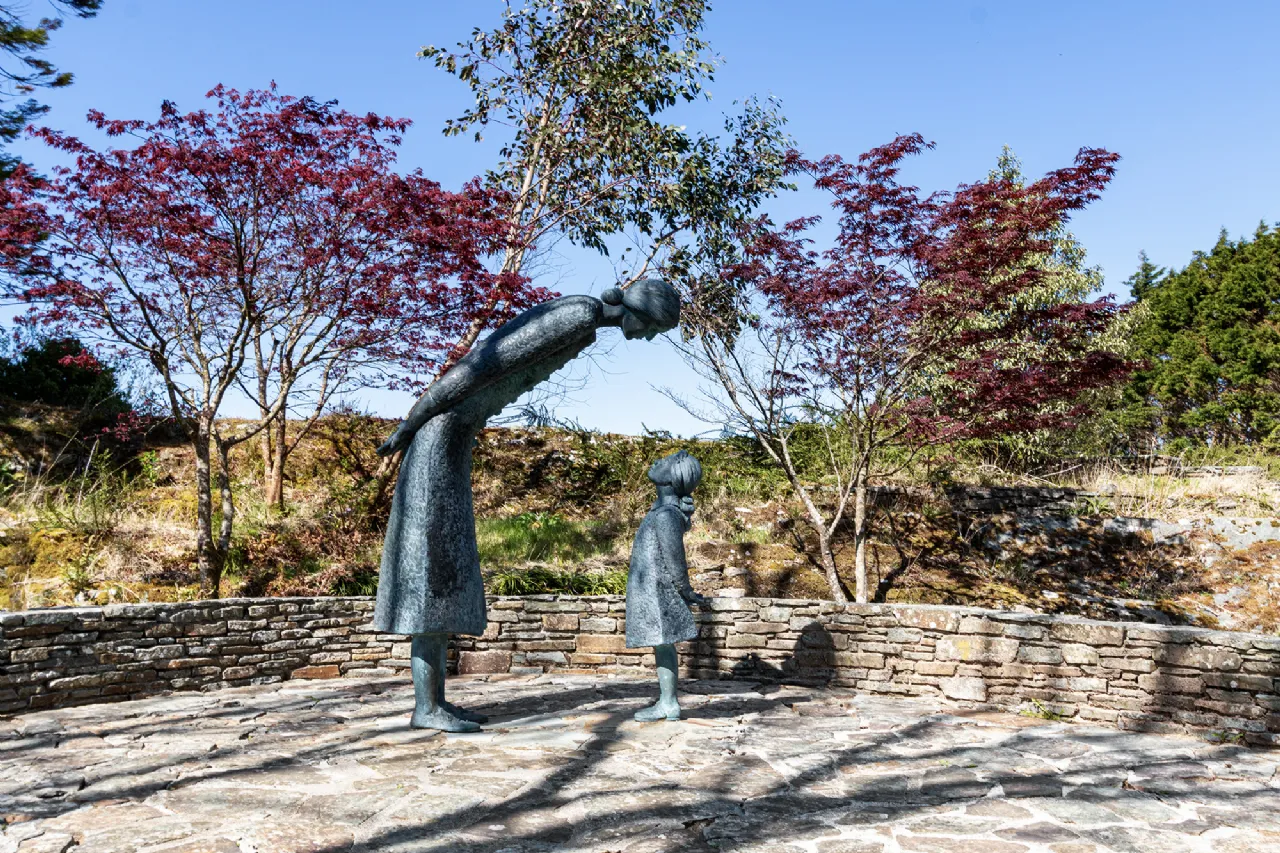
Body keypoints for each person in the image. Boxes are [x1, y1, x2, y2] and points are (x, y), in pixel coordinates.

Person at [373, 280, 681, 732]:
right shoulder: (578, 314)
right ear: (638, 311)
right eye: (653, 327)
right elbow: (474, 370)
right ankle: (427, 708)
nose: (649, 337)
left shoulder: (586, 321)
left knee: (443, 571)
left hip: (453, 438)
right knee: (431, 571)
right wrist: (410, 424)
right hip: (439, 438)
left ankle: (434, 702)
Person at [625, 450, 709, 722]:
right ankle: (667, 702)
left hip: (658, 592)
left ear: (674, 478)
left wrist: (685, 590)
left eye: (666, 462)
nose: (657, 461)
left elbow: (676, 559)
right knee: (662, 646)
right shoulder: (663, 511)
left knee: (663, 645)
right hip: (653, 589)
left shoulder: (666, 515)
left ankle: (669, 703)